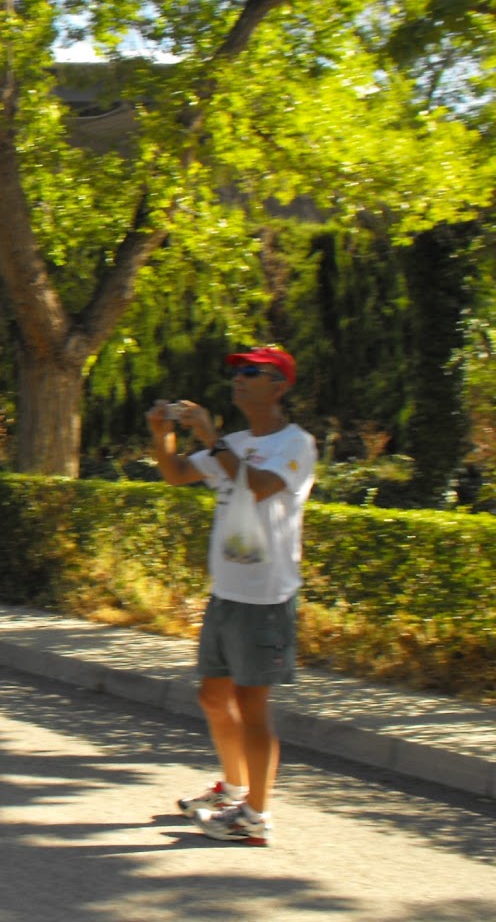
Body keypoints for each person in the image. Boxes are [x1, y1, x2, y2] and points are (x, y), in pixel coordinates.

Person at [149, 344, 316, 848]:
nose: (238, 378)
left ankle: (256, 817)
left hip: (265, 598)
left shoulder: (296, 443)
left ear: (279, 386)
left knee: (251, 703)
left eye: (251, 372)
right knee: (213, 696)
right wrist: (162, 434)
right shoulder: (236, 441)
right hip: (226, 591)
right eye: (236, 371)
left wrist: (210, 436)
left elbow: (260, 486)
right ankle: (235, 789)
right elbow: (177, 473)